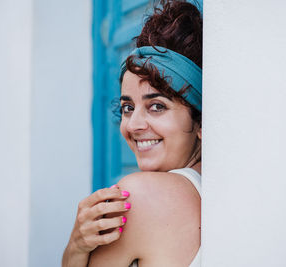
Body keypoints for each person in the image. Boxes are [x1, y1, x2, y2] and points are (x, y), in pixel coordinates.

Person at [62, 1, 202, 266]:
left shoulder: (137, 197)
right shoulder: (218, 192)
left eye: (157, 106)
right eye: (128, 107)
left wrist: (76, 247)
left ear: (201, 121)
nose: (133, 124)